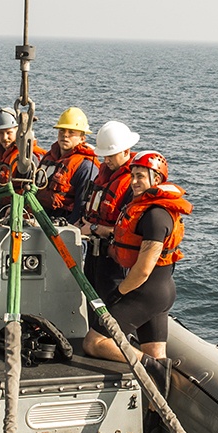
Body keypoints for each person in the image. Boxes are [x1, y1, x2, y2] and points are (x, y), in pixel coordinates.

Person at [82, 151, 192, 378]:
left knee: (94, 342)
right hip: (161, 290)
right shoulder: (150, 209)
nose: (134, 182)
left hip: (148, 291)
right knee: (155, 351)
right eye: (132, 175)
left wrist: (119, 295)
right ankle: (156, 401)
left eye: (140, 176)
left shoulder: (156, 216)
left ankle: (150, 366)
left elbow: (143, 269)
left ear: (157, 180)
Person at [80, 120, 139, 302]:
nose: (106, 160)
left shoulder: (132, 185)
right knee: (91, 301)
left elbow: (129, 231)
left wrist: (94, 228)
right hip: (93, 254)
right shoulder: (104, 175)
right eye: (104, 156)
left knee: (110, 304)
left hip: (114, 262)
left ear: (126, 152)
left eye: (110, 156)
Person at [37, 107, 98, 223]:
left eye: (71, 132)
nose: (65, 135)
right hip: (38, 220)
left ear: (82, 138)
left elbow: (81, 207)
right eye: (62, 131)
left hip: (62, 225)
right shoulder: (48, 159)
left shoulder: (86, 167)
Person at [0, 107, 43, 190]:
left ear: (18, 130)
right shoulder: (0, 154)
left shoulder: (27, 157)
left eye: (9, 132)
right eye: (1, 133)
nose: (5, 137)